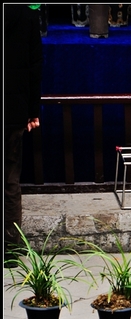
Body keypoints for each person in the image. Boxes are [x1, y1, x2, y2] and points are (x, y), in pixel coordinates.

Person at [4, 4, 43, 268]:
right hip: (13, 109)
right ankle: (9, 250)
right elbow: (34, 67)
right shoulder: (27, 15)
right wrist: (31, 110)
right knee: (9, 181)